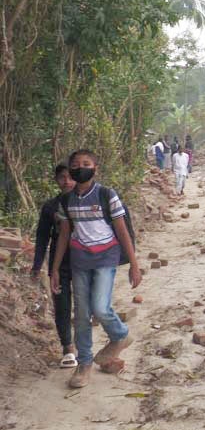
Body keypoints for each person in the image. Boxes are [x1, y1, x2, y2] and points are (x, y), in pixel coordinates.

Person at [51, 149, 141, 389]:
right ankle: (84, 363)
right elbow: (64, 235)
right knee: (81, 314)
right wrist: (56, 268)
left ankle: (121, 335)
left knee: (100, 308)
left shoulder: (106, 195)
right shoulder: (67, 201)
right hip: (80, 261)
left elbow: (122, 230)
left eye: (86, 163)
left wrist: (134, 264)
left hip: (106, 258)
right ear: (70, 170)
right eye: (76, 164)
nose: (81, 167)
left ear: (95, 168)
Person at [31, 164, 78, 368]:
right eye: (61, 177)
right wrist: (37, 265)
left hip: (84, 259)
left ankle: (83, 345)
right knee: (61, 303)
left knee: (85, 303)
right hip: (58, 262)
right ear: (56, 180)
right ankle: (68, 347)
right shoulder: (50, 206)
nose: (66, 181)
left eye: (70, 177)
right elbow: (42, 237)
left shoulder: (87, 202)